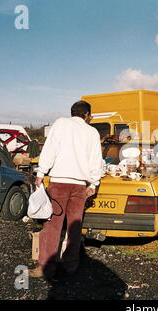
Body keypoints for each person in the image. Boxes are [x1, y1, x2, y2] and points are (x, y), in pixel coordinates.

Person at [29, 100, 103, 281]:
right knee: (74, 228)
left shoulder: (60, 123)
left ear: (73, 113)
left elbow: (50, 149)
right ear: (86, 115)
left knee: (52, 226)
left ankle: (45, 267)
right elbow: (96, 159)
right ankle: (70, 267)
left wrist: (41, 172)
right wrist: (93, 183)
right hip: (80, 186)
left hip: (59, 183)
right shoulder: (92, 132)